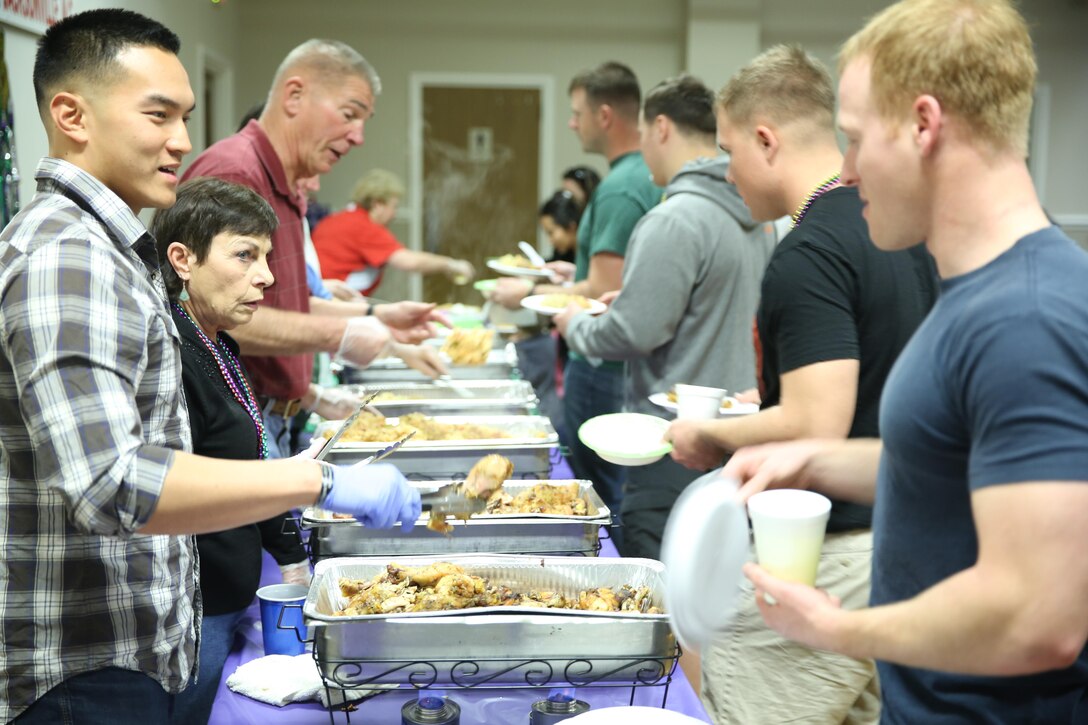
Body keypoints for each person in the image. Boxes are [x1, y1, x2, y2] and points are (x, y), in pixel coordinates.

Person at [0, 10, 421, 722]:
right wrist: (319, 478)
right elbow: (112, 482)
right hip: (86, 666)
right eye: (157, 115)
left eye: (185, 116)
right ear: (71, 114)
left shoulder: (110, 247)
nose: (183, 142)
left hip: (133, 643)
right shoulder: (65, 255)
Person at [721, 1, 1088, 722]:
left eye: (856, 141)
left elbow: (1040, 617)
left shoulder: (1026, 317)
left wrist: (834, 628)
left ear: (924, 125)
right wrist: (816, 460)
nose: (848, 172)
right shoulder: (977, 288)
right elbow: (950, 464)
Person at [662, 46, 939, 724]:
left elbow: (819, 421)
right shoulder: (902, 231)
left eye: (729, 151)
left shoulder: (809, 251)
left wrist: (708, 434)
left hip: (828, 550)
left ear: (766, 141)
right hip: (907, 538)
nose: (726, 173)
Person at [183, 40, 446, 458]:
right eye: (349, 115)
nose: (359, 136)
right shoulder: (235, 172)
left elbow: (286, 304)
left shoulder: (284, 184)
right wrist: (341, 335)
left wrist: (376, 315)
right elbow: (219, 319)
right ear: (294, 96)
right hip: (237, 422)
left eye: (364, 121)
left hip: (278, 415)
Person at [554, 74, 774, 560]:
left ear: (660, 128)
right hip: (734, 434)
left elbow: (633, 333)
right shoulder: (754, 215)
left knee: (665, 593)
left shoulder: (674, 217)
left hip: (674, 443)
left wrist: (574, 325)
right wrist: (632, 299)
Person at [152, 178, 309, 724]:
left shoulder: (217, 341)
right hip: (198, 614)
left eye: (265, 256)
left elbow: (252, 457)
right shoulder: (174, 351)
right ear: (183, 260)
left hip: (233, 600)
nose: (265, 276)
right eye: (245, 255)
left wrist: (290, 555)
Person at [492, 61, 661, 516]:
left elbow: (602, 291)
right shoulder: (641, 176)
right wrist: (562, 277)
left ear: (604, 116)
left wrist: (531, 294)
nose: (572, 123)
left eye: (577, 113)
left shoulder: (621, 187)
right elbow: (612, 275)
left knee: (598, 499)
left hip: (600, 365)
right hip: (618, 363)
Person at [312, 168, 476, 296]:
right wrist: (451, 264)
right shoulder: (363, 227)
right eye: (393, 206)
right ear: (377, 204)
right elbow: (409, 261)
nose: (394, 214)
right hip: (331, 301)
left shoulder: (341, 219)